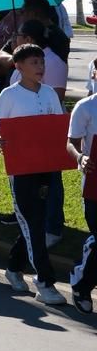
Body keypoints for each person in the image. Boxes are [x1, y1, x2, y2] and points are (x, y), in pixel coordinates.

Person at [0, 43, 67, 305]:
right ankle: (45, 282)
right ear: (18, 66)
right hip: (22, 170)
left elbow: (59, 128)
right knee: (32, 223)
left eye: (42, 62)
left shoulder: (49, 94)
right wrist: (1, 138)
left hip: (46, 166)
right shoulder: (9, 95)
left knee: (36, 223)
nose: (40, 67)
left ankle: (14, 268)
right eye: (34, 62)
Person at [65, 85, 97, 313]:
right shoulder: (85, 107)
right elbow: (71, 143)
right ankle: (81, 283)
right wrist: (81, 158)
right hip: (94, 184)